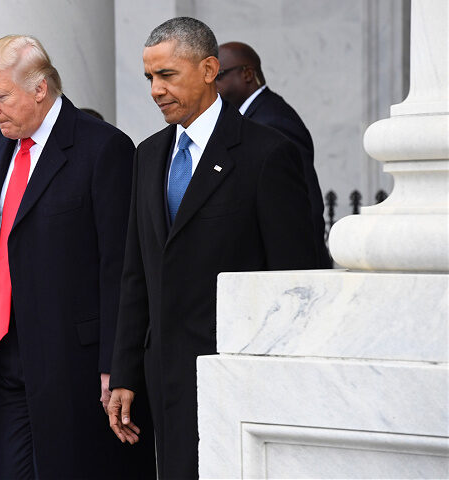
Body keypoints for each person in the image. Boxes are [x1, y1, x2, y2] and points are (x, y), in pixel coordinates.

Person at [107, 17, 319, 479]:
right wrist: (123, 371)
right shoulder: (147, 155)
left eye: (167, 75)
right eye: (149, 78)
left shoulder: (267, 153)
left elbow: (297, 278)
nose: (155, 90)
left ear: (208, 69)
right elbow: (136, 272)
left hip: (238, 376)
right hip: (164, 377)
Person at [0, 35, 155, 479]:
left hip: (76, 364)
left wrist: (115, 364)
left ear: (39, 88)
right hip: (2, 355)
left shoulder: (103, 147)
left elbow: (120, 266)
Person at [216, 41, 331, 268]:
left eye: (218, 76)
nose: (211, 86)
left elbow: (303, 206)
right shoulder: (252, 117)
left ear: (247, 73)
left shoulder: (273, 122)